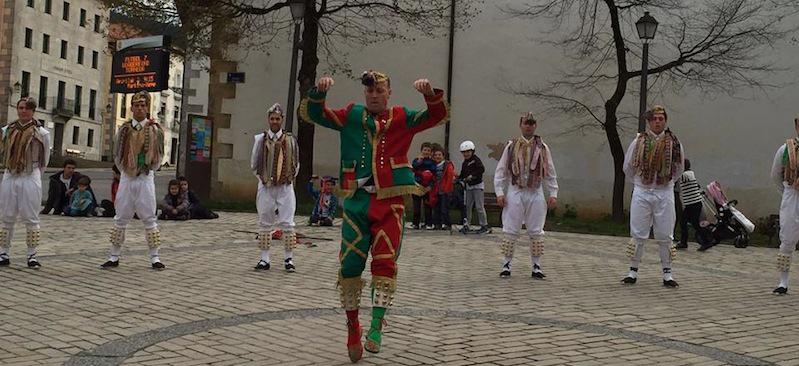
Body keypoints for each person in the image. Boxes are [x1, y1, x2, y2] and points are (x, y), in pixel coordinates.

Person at [300, 70, 449, 361]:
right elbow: (317, 115)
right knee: (350, 266)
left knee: (384, 263)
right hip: (356, 203)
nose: (374, 95)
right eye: (369, 91)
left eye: (379, 90)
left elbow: (435, 116)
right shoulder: (352, 116)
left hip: (390, 202)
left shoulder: (402, 118)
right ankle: (353, 327)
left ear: (389, 92)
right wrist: (319, 92)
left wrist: (429, 94)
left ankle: (377, 326)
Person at [101, 91, 166, 270]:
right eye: (136, 105)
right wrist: (126, 171)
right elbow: (117, 154)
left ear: (147, 108)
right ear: (131, 108)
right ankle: (114, 256)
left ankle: (155, 257)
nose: (139, 108)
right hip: (127, 178)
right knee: (121, 216)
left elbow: (159, 153)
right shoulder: (124, 130)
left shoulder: (154, 129)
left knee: (149, 217)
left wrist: (148, 168)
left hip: (145, 177)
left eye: (143, 105)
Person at [621, 105, 684, 287]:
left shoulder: (674, 142)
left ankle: (667, 273)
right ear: (649, 122)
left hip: (664, 191)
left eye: (661, 118)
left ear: (665, 121)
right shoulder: (639, 141)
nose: (658, 122)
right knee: (638, 232)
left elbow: (679, 168)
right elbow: (628, 167)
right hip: (643, 190)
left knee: (665, 233)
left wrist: (666, 182)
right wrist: (641, 183)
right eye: (654, 119)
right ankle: (632, 270)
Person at [494, 112, 558, 279]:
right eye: (526, 123)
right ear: (520, 125)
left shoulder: (543, 147)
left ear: (535, 125)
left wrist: (553, 192)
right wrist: (500, 192)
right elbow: (501, 171)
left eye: (531, 123)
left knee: (536, 230)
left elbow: (550, 171)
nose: (529, 125)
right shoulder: (511, 146)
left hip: (535, 191)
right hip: (515, 190)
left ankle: (536, 266)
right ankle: (506, 264)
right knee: (510, 229)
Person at [0, 97, 51, 268]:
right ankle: (3, 252)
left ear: (33, 111)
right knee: (7, 215)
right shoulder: (7, 130)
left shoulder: (41, 133)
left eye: (27, 108)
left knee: (31, 216)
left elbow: (45, 160)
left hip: (30, 173)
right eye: (21, 107)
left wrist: (34, 172)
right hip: (10, 173)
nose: (23, 111)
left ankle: (32, 254)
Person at [250, 103, 299, 272]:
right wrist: (264, 179)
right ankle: (264, 259)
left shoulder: (290, 140)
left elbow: (295, 163)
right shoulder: (260, 139)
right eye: (272, 118)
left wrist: (288, 178)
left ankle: (289, 259)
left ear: (282, 120)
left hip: (285, 187)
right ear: (268, 120)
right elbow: (254, 163)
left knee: (288, 223)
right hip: (266, 186)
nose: (275, 121)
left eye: (278, 118)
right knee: (265, 222)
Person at [769, 116, 799, 294]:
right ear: (796, 126)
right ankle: (783, 281)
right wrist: (788, 192)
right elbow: (775, 175)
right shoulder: (785, 149)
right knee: (787, 237)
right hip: (792, 195)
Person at [676, 159, 711, 251]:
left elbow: (676, 178)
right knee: (683, 221)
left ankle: (706, 241)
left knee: (694, 223)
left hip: (693, 203)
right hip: (692, 203)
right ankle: (684, 242)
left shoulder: (685, 175)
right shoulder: (691, 173)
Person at [458, 140, 490, 234]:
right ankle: (467, 224)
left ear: (472, 151)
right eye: (464, 152)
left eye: (468, 151)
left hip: (477, 186)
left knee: (479, 207)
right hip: (469, 187)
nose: (466, 154)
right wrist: (457, 178)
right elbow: (462, 174)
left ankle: (484, 225)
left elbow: (481, 169)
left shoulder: (476, 160)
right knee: (468, 206)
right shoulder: (464, 163)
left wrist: (472, 176)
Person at [411, 143, 436, 229]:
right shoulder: (416, 160)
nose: (426, 152)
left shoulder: (432, 162)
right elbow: (413, 167)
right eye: (425, 150)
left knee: (427, 207)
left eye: (428, 150)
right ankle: (415, 223)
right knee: (416, 207)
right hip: (417, 186)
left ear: (431, 152)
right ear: (421, 151)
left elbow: (434, 175)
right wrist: (419, 161)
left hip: (427, 187)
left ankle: (428, 223)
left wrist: (430, 186)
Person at [430, 144, 455, 230]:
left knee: (444, 209)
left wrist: (447, 189)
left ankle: (447, 224)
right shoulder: (433, 165)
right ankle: (437, 224)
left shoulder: (448, 165)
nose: (437, 156)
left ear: (443, 156)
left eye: (439, 155)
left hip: (444, 189)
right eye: (436, 155)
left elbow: (450, 177)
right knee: (436, 208)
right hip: (436, 190)